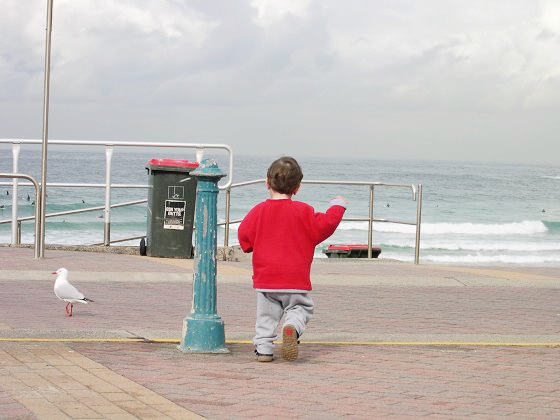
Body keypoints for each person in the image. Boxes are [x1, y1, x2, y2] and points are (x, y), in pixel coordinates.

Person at [238, 156, 347, 362]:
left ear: (267, 183)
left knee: (266, 316)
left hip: (266, 278)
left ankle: (264, 349)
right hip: (295, 278)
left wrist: (250, 245)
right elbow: (326, 224)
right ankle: (292, 327)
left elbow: (244, 235)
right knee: (300, 308)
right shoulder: (304, 212)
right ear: (297, 188)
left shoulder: (258, 211)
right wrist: (338, 205)